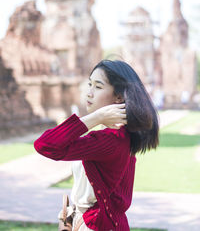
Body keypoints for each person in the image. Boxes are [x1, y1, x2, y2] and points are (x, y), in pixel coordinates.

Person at [34, 59, 159, 230]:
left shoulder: (110, 139)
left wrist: (95, 117)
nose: (89, 93)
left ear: (119, 97)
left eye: (98, 87)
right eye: (89, 84)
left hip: (96, 225)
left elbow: (45, 145)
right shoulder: (121, 135)